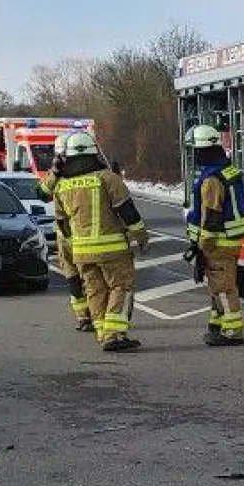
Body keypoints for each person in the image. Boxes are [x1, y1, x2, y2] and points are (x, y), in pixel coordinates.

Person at [51, 131, 149, 352]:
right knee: (121, 286)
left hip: (81, 252)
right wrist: (141, 237)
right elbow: (127, 210)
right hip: (112, 249)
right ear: (94, 151)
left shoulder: (62, 185)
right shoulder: (108, 178)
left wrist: (73, 246)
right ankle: (114, 335)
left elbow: (61, 221)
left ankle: (103, 333)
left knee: (95, 291)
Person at [183, 124, 244, 346]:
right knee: (218, 284)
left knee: (222, 286)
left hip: (218, 242)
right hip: (229, 240)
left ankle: (232, 331)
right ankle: (217, 324)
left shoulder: (211, 179)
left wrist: (201, 245)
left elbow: (211, 217)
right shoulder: (227, 169)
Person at [37, 135, 94, 331]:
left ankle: (86, 317)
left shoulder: (61, 176)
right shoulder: (91, 171)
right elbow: (42, 194)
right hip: (81, 236)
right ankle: (87, 317)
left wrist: (54, 171)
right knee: (82, 279)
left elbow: (42, 194)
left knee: (77, 279)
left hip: (70, 236)